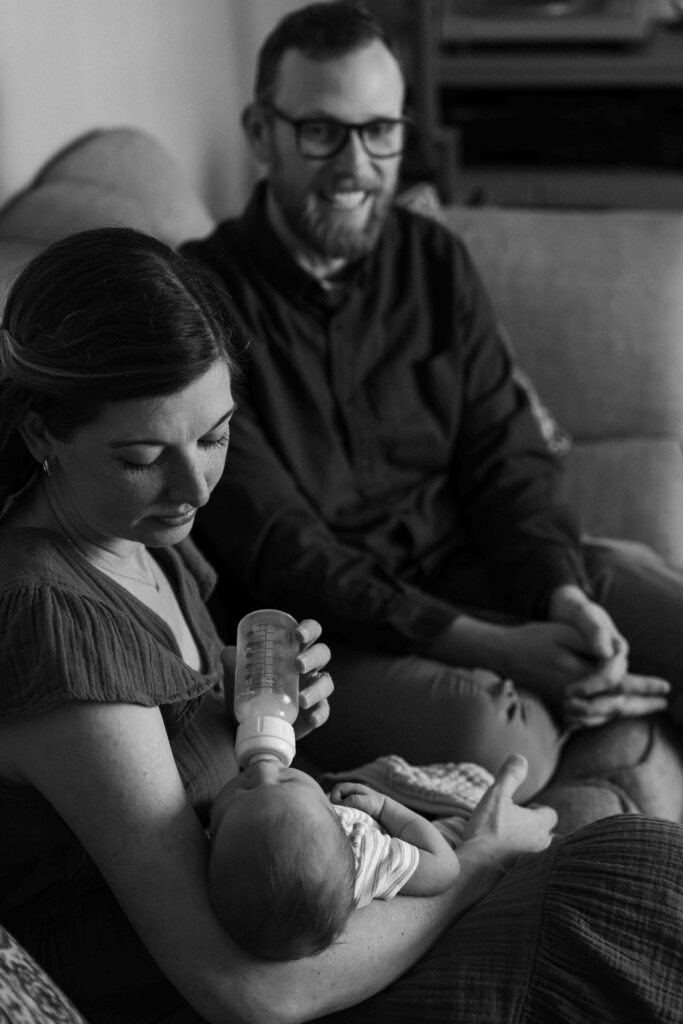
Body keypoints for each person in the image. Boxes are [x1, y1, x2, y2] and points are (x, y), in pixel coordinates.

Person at [1, 227, 683, 1023]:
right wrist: (473, 870)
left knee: (616, 841)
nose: (193, 486)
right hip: (269, 989)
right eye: (143, 455)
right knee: (629, 872)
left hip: (325, 912)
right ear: (44, 432)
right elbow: (246, 991)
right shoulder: (49, 618)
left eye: (215, 436)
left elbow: (168, 718)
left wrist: (247, 697)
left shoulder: (142, 539)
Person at [182, 0, 683, 802]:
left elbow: (505, 455)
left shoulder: (434, 261)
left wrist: (556, 594)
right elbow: (285, 550)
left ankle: (580, 670)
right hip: (336, 635)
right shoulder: (199, 302)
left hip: (474, 569)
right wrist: (498, 647)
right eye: (322, 131)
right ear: (259, 133)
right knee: (498, 738)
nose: (356, 165)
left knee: (640, 602)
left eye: (380, 130)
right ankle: (566, 699)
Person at [208, 767, 460, 960]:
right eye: (288, 782)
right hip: (419, 831)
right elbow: (445, 865)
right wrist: (385, 808)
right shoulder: (362, 855)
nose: (261, 770)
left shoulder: (219, 846)